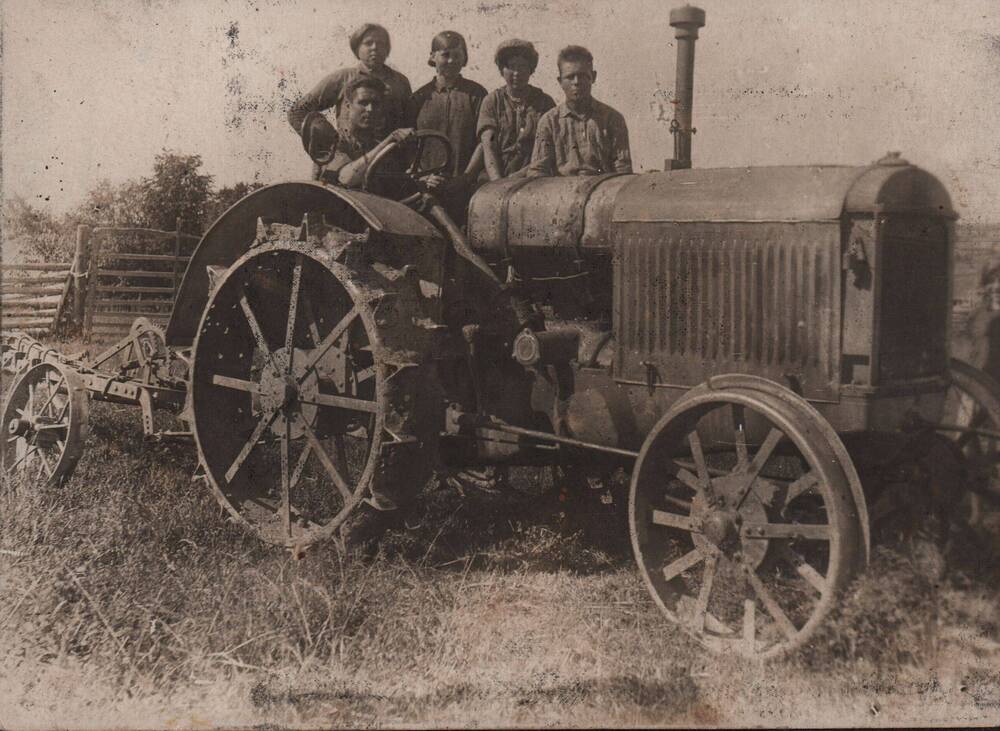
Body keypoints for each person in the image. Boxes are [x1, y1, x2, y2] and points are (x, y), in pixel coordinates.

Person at [287, 23, 411, 146]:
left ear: (388, 49)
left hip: (391, 157)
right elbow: (297, 111)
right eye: (368, 43)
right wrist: (325, 142)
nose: (375, 47)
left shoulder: (400, 82)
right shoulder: (343, 78)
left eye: (381, 43)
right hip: (349, 158)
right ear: (357, 48)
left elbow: (409, 121)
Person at [524, 45, 632, 177]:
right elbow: (538, 172)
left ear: (593, 76)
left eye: (582, 76)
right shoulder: (549, 122)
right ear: (560, 81)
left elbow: (623, 170)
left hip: (603, 191)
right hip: (561, 193)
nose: (576, 82)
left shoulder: (613, 119)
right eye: (570, 77)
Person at [477, 39, 556, 180]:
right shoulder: (491, 101)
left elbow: (548, 150)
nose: (516, 73)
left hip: (533, 177)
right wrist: (498, 182)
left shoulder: (545, 102)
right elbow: (488, 146)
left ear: (531, 69)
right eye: (511, 67)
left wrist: (517, 177)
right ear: (502, 70)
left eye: (522, 66)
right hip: (494, 179)